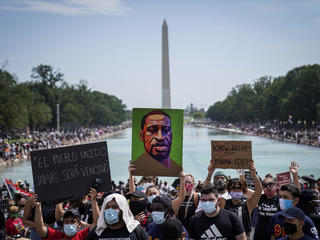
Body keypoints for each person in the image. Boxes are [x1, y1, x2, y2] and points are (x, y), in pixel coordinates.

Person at [34, 188, 99, 240]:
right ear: (63, 224)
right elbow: (40, 229)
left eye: (72, 221)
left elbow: (97, 224)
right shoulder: (56, 235)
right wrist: (38, 206)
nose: (69, 224)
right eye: (66, 222)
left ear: (79, 225)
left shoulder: (83, 235)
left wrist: (94, 201)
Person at [132, 110, 182, 176]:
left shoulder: (178, 170)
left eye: (166, 130)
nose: (160, 137)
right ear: (142, 135)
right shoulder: (135, 168)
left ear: (171, 135)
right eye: (152, 130)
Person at [220, 159, 262, 237]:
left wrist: (253, 173)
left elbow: (259, 191)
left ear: (243, 190)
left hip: (244, 237)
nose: (236, 190)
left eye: (239, 188)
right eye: (233, 188)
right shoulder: (224, 202)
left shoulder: (248, 204)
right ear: (229, 190)